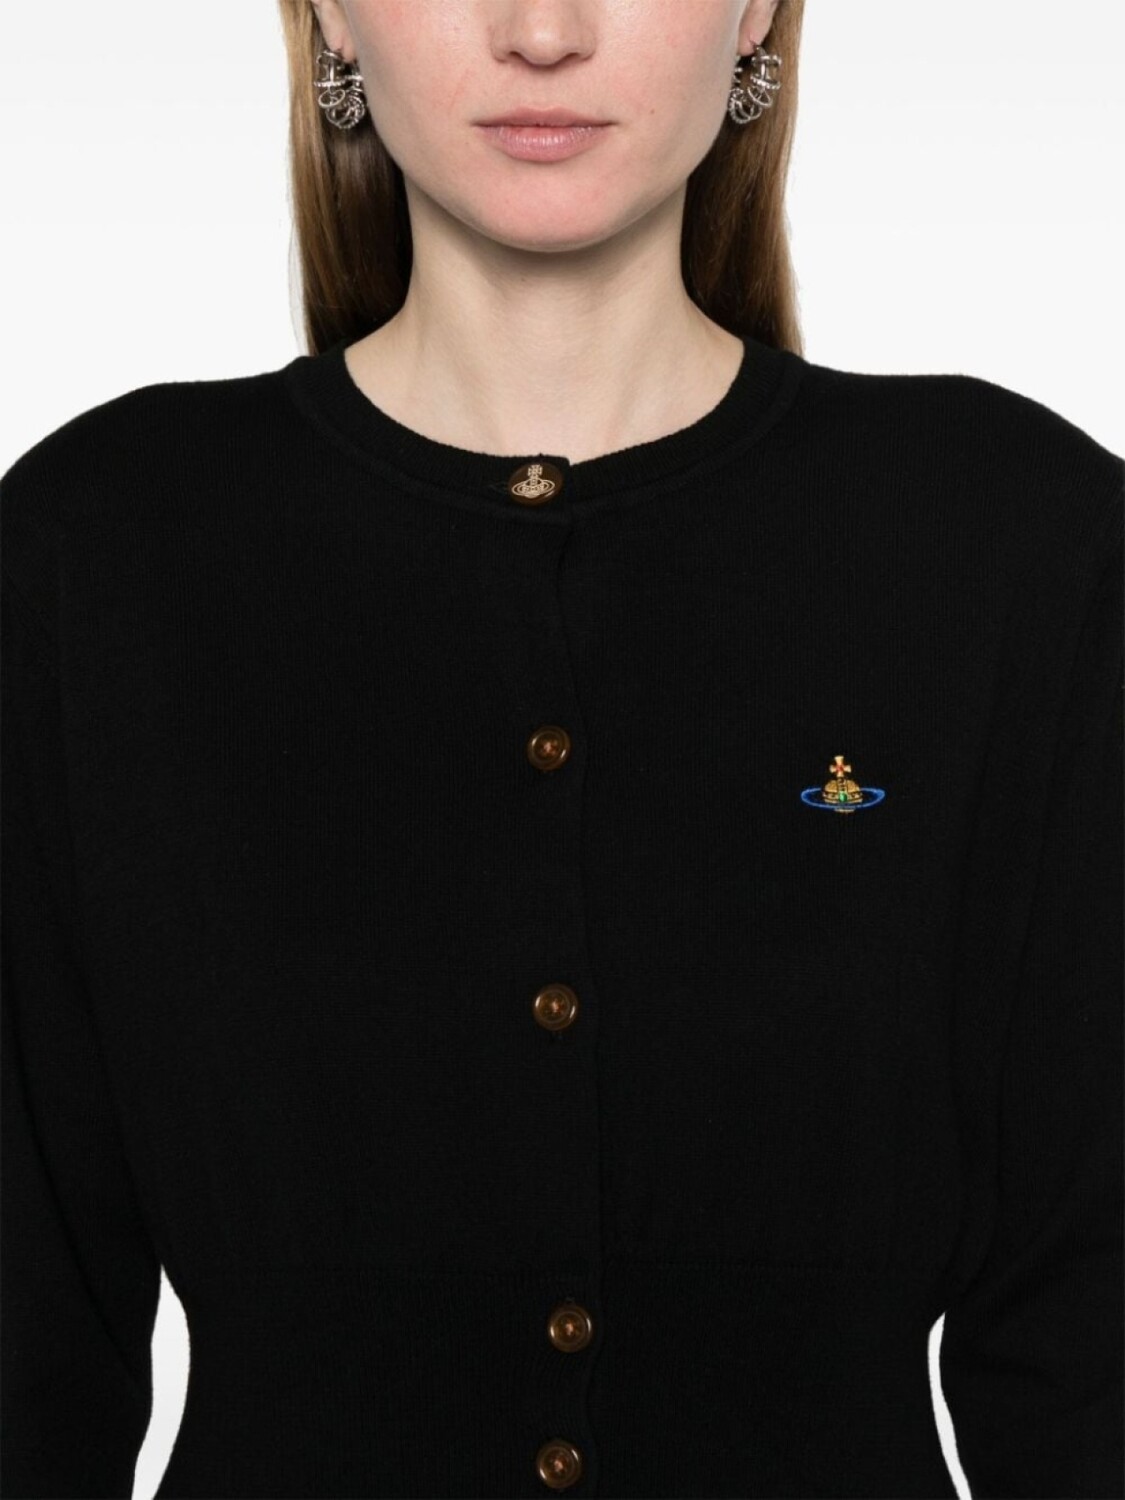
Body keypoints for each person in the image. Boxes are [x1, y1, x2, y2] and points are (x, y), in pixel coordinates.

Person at [2, 1, 1121, 1497]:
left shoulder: (1009, 544)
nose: (542, 31)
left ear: (755, 13)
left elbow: (1090, 1334)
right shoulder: (97, 553)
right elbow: (26, 1342)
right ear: (331, 16)